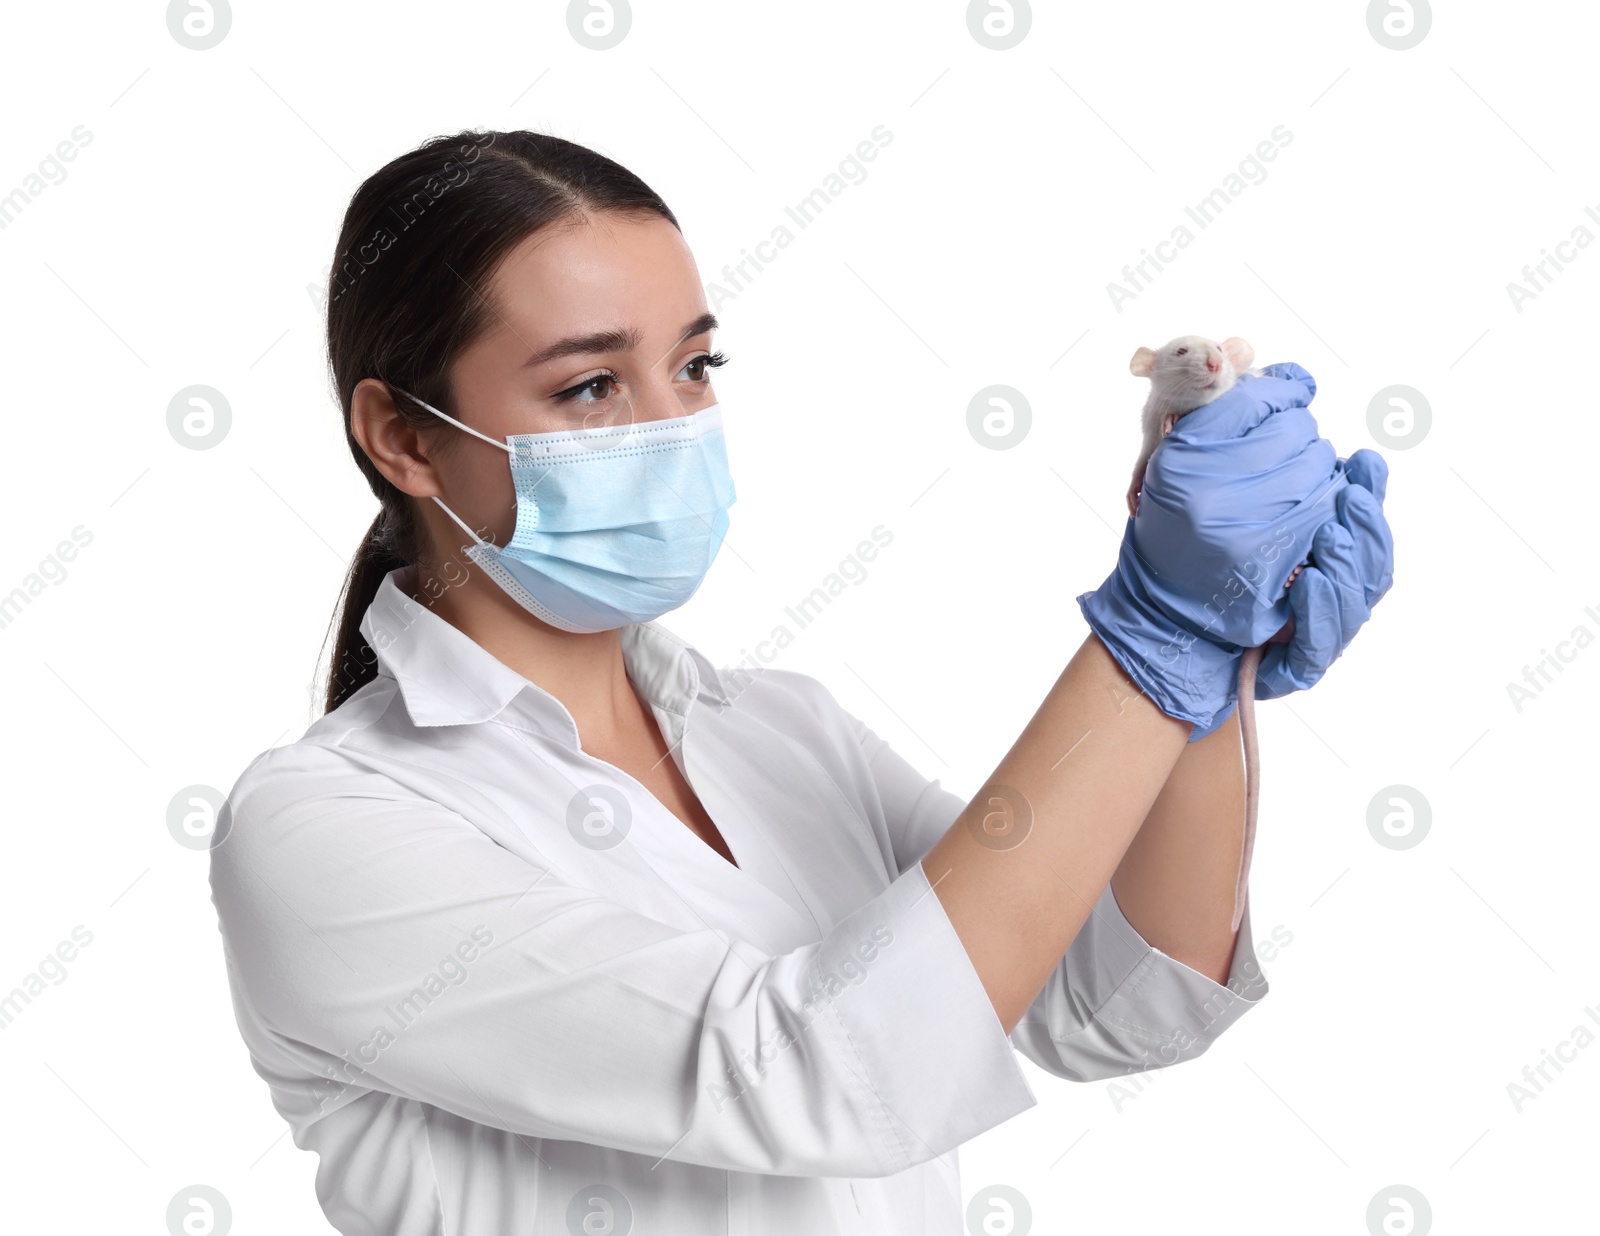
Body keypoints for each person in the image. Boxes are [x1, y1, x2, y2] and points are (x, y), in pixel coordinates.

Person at [208, 128, 1395, 1236]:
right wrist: (1152, 632)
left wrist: (1211, 663)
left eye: (694, 364)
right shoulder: (322, 827)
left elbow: (1112, 1002)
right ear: (403, 437)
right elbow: (817, 1068)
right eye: (589, 387)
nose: (674, 424)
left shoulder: (780, 732)